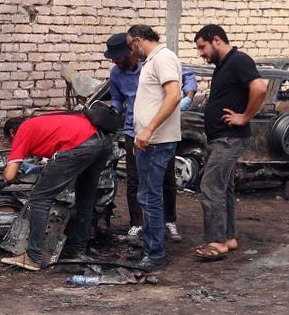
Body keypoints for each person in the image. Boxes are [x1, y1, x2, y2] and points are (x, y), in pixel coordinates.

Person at [191, 25, 266, 262]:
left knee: (211, 186)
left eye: (202, 47)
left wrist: (244, 116)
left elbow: (260, 88)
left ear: (216, 40)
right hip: (220, 138)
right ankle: (229, 238)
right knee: (224, 189)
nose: (201, 53)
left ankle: (217, 241)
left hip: (229, 138)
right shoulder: (223, 66)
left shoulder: (239, 61)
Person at [0, 112, 109, 271]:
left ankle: (33, 257)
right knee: (85, 197)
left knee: (39, 199)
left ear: (11, 132)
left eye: (10, 141)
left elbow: (9, 176)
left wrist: (13, 165)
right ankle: (79, 250)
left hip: (79, 146)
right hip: (101, 143)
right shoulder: (44, 122)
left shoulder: (23, 130)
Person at [106, 33, 183, 243]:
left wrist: (191, 94)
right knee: (135, 180)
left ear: (131, 50)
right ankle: (138, 224)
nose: (116, 62)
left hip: (159, 133)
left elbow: (181, 82)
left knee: (165, 180)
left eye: (119, 57)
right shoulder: (116, 73)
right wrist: (110, 112)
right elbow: (117, 99)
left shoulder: (153, 63)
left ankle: (168, 222)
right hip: (134, 132)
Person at [127, 24, 182, 272]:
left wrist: (148, 130)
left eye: (130, 45)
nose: (130, 51)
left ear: (138, 40)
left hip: (157, 141)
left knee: (150, 197)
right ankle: (151, 247)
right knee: (147, 195)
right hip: (148, 141)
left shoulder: (164, 58)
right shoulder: (152, 60)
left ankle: (155, 254)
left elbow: (173, 95)